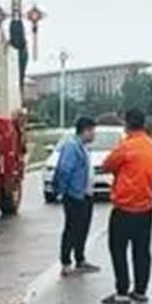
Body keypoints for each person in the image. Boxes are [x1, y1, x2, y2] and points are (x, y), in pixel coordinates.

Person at [99, 108, 152, 304]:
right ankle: (140, 290)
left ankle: (122, 291)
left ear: (127, 125)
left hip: (124, 207)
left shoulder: (126, 147)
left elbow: (107, 165)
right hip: (146, 207)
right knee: (142, 250)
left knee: (118, 249)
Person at [52, 116, 101, 277]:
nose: (94, 135)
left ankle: (80, 259)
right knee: (72, 229)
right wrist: (62, 191)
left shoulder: (83, 147)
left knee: (82, 229)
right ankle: (66, 263)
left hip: (85, 195)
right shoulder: (72, 147)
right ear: (85, 130)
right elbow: (65, 170)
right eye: (92, 131)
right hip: (74, 196)